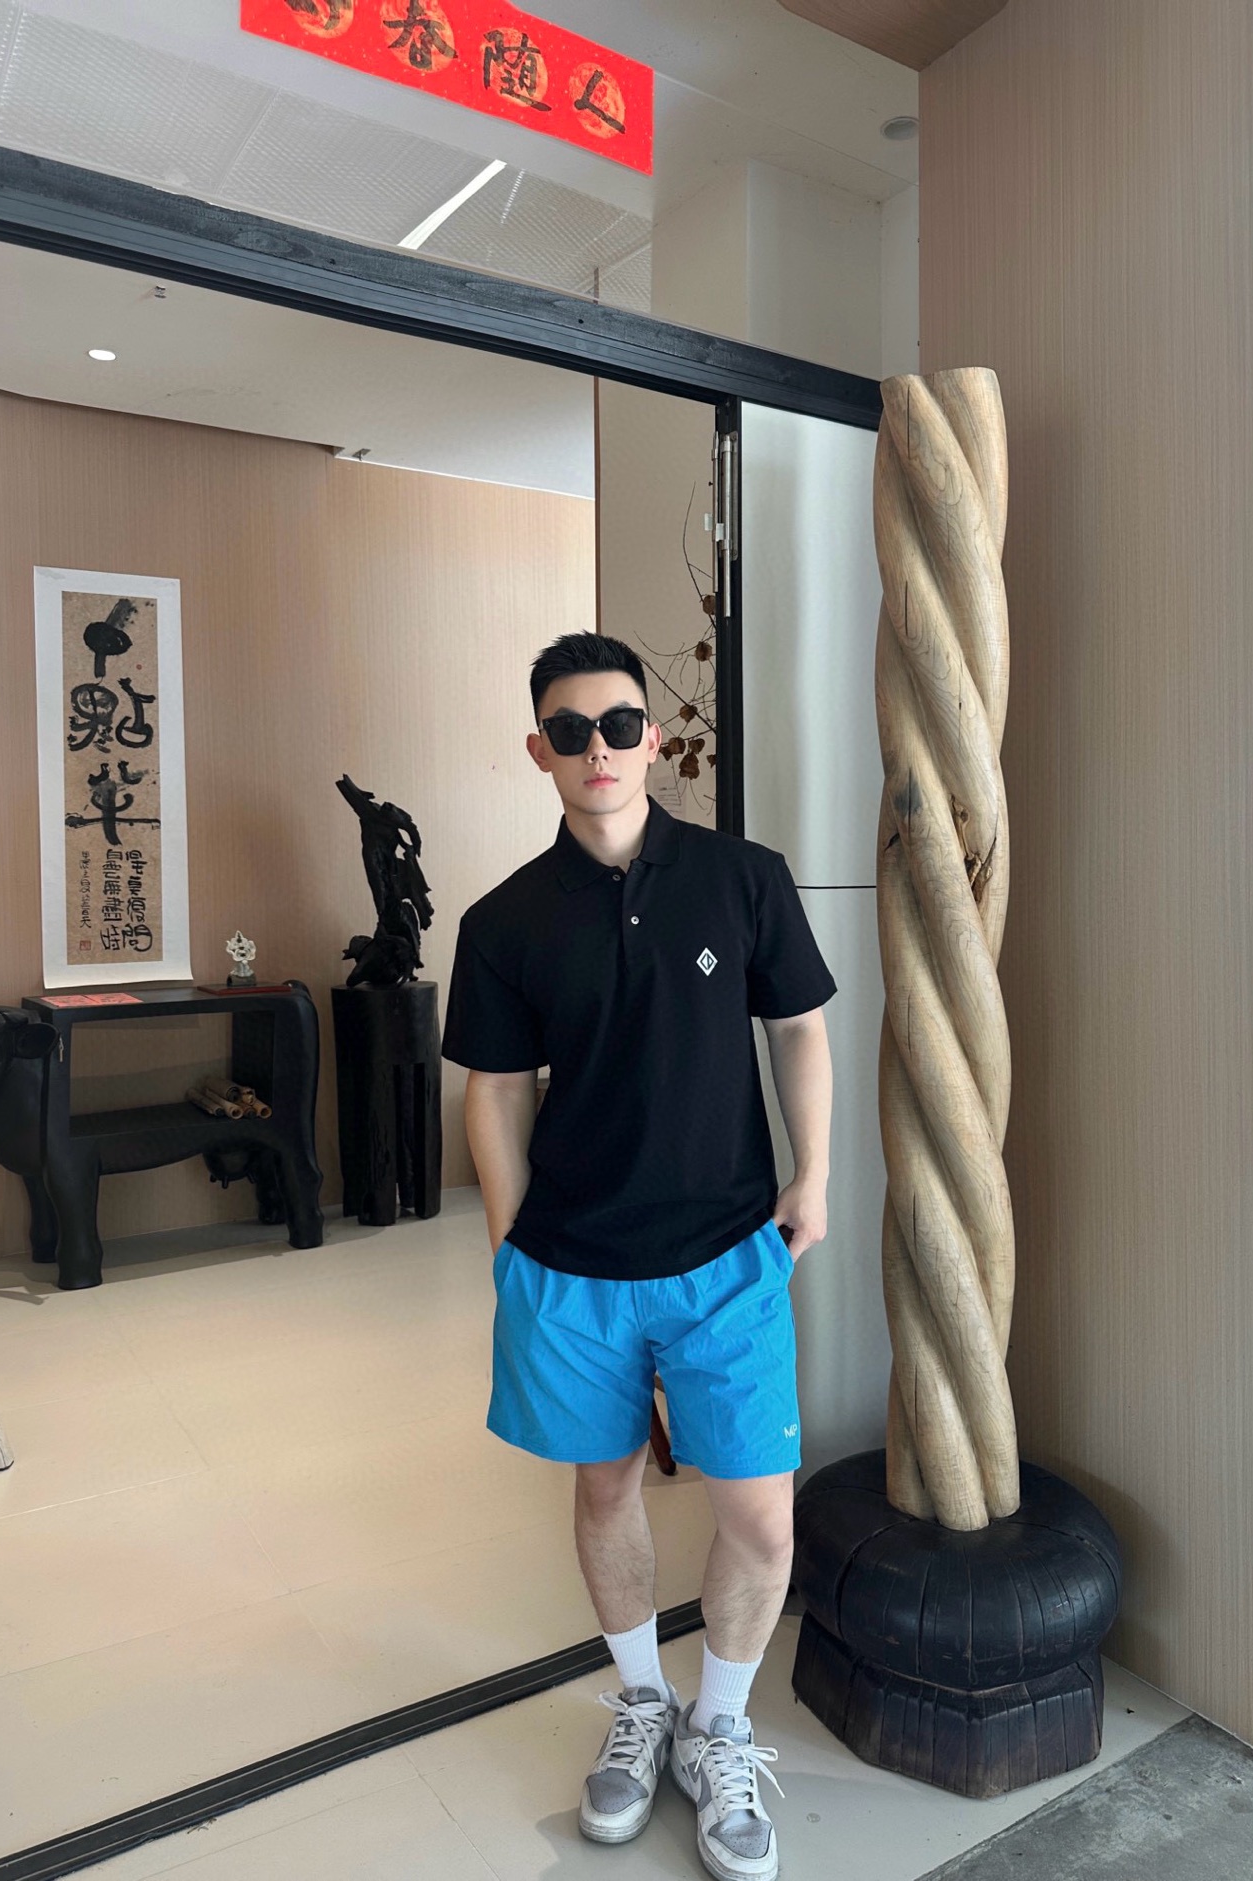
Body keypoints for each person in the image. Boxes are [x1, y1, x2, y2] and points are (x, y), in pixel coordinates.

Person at [442, 632, 835, 1881]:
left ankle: (719, 1725)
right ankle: (642, 1705)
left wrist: (813, 1174)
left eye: (619, 726)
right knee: (605, 1490)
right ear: (539, 750)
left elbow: (800, 1029)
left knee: (760, 1518)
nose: (598, 750)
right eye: (571, 731)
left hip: (729, 1255)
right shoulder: (504, 920)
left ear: (653, 739)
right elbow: (496, 1091)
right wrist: (511, 1245)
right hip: (571, 1265)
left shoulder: (742, 878)